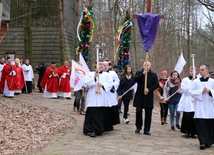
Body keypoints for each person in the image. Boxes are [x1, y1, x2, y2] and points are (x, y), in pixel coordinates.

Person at [83, 62, 113, 137]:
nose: (101, 66)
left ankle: (97, 129)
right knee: (92, 113)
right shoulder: (90, 74)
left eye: (102, 65)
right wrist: (94, 78)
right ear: (96, 65)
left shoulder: (107, 75)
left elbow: (110, 84)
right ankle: (89, 128)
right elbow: (87, 84)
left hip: (102, 97)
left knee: (100, 114)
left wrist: (103, 85)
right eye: (99, 64)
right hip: (93, 97)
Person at [189, 64, 214, 150]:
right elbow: (191, 92)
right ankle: (202, 142)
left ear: (207, 70)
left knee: (210, 126)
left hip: (210, 107)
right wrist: (200, 92)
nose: (200, 71)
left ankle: (209, 141)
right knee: (200, 125)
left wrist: (210, 91)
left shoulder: (212, 81)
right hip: (199, 106)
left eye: (202, 70)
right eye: (200, 70)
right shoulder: (195, 82)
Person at [133, 61, 159, 135]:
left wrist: (149, 89)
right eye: (145, 65)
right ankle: (138, 127)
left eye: (148, 65)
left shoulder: (153, 75)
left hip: (148, 96)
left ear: (150, 66)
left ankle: (147, 129)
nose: (146, 66)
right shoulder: (139, 73)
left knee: (148, 113)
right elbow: (134, 80)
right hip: (139, 96)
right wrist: (142, 74)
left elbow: (156, 84)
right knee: (138, 111)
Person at [177, 66, 197, 138]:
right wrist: (192, 84)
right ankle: (187, 131)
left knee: (194, 116)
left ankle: (194, 132)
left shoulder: (198, 80)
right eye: (191, 71)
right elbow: (185, 90)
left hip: (195, 99)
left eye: (194, 71)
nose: (192, 72)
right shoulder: (185, 80)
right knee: (187, 115)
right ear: (189, 72)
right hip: (188, 99)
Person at [104, 61, 120, 126]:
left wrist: (112, 85)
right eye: (104, 65)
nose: (105, 67)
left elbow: (117, 81)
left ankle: (111, 122)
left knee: (112, 108)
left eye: (107, 65)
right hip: (104, 92)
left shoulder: (113, 73)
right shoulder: (99, 73)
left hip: (111, 92)